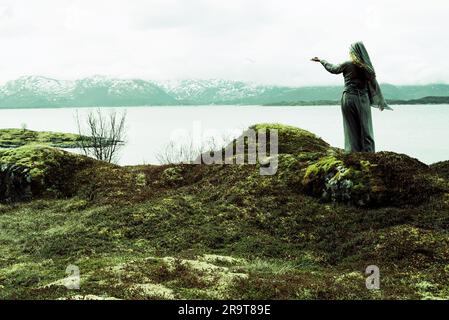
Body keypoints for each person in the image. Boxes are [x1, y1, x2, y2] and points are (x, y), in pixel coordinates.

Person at [311, 41, 390, 153]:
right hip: (363, 100)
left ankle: (352, 153)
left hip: (348, 98)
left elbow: (333, 69)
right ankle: (369, 154)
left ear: (353, 52)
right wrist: (380, 102)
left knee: (351, 128)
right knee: (366, 128)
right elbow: (374, 86)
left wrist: (321, 61)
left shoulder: (347, 64)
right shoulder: (368, 69)